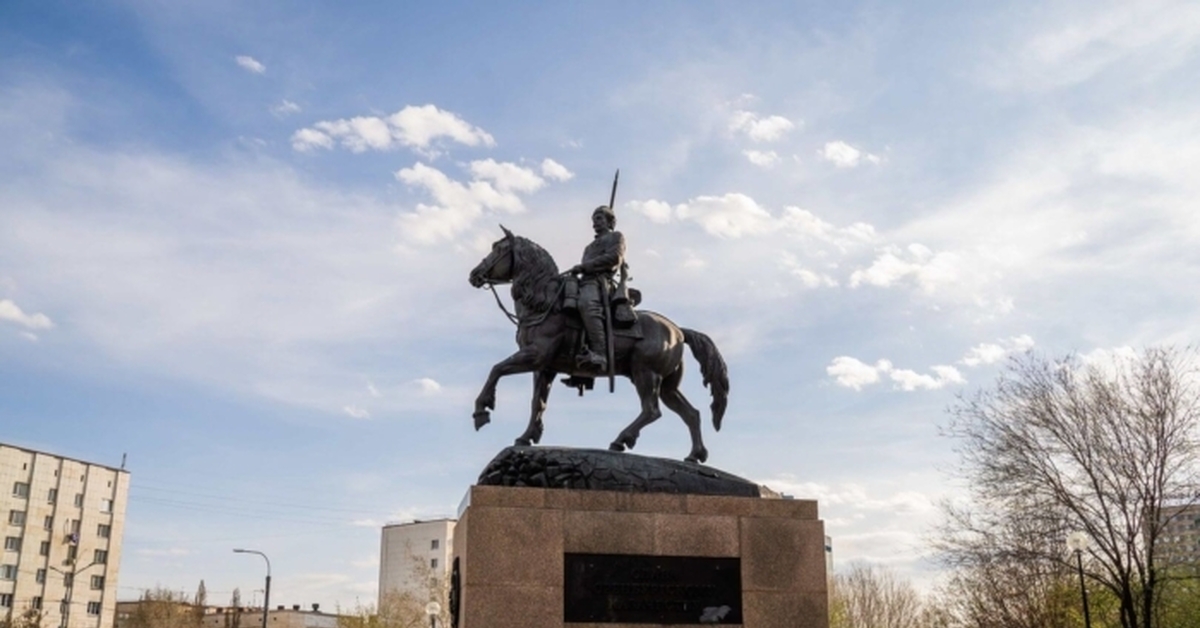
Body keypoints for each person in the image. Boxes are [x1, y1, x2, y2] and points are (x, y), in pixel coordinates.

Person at [568, 205, 626, 371]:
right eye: (593, 221)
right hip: (585, 282)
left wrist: (586, 266)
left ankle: (600, 353)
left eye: (599, 219)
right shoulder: (589, 247)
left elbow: (615, 258)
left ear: (610, 221)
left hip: (600, 283)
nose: (595, 223)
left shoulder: (616, 237)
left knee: (587, 304)